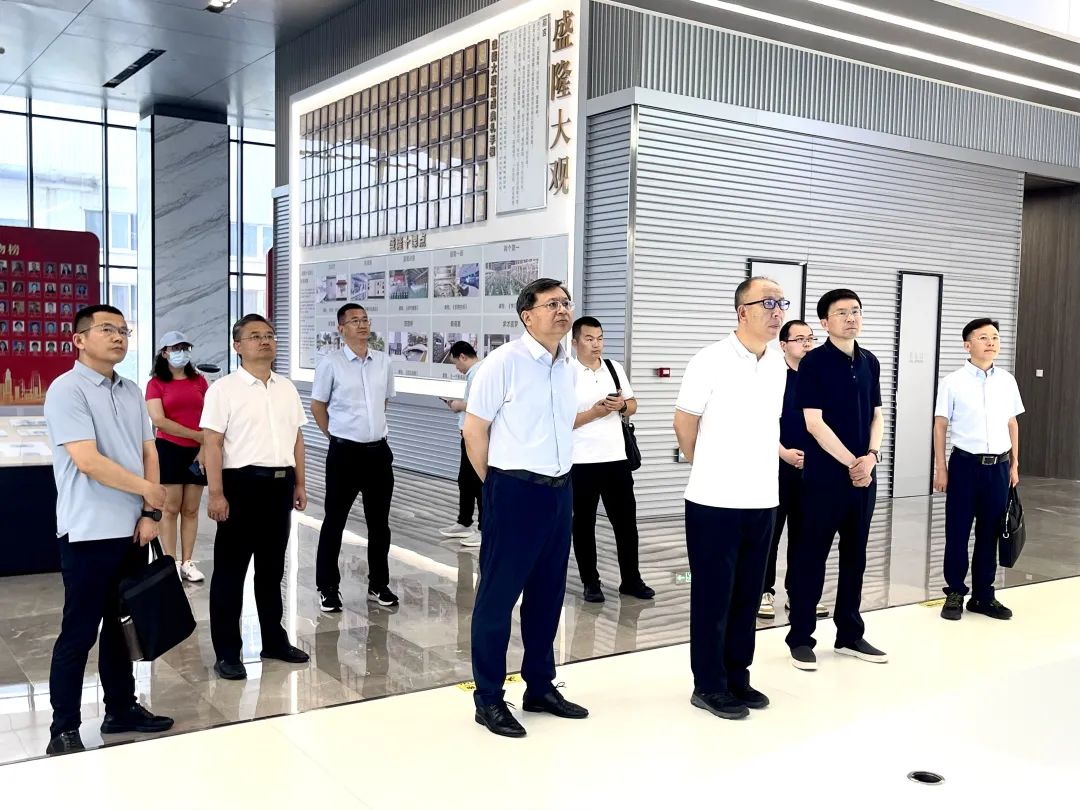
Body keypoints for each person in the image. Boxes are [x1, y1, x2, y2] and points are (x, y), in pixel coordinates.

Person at [43, 304, 173, 756]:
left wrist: (149, 511)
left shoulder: (132, 390)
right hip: (88, 531)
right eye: (107, 329)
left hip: (132, 529)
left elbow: (148, 451)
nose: (119, 337)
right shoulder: (67, 389)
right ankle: (63, 728)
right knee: (79, 631)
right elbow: (87, 460)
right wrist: (148, 490)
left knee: (122, 628)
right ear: (79, 339)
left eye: (123, 330)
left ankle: (121, 709)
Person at [463, 278, 588, 738]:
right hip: (514, 490)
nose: (562, 310)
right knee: (497, 599)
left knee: (547, 595)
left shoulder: (567, 366)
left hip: (559, 490)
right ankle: (488, 699)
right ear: (527, 315)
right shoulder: (503, 363)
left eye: (566, 303)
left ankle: (540, 686)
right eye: (552, 304)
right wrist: (496, 486)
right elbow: (474, 430)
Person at [673, 277, 788, 720]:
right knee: (713, 594)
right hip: (714, 499)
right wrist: (707, 465)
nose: (777, 312)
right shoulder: (710, 360)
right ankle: (708, 684)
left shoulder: (777, 363)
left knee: (748, 594)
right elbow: (684, 422)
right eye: (768, 303)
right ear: (743, 311)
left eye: (781, 303)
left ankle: (737, 674)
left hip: (763, 497)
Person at [201, 314, 310, 680]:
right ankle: (227, 652)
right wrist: (216, 493)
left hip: (280, 485)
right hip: (240, 486)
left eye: (269, 335)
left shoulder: (286, 388)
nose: (264, 340)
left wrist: (299, 483)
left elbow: (297, 438)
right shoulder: (223, 390)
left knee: (271, 570)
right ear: (238, 346)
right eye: (254, 336)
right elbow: (212, 444)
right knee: (230, 573)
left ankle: (274, 641)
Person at [786, 289, 887, 672]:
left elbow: (877, 415)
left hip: (864, 477)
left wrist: (871, 457)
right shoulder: (814, 363)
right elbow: (814, 423)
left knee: (855, 556)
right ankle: (801, 638)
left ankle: (849, 634)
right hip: (825, 478)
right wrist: (851, 463)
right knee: (811, 557)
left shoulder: (870, 361)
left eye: (856, 311)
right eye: (842, 313)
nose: (851, 318)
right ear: (825, 322)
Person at [934, 318, 1024, 621]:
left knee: (990, 533)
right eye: (983, 337)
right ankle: (955, 593)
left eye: (995, 337)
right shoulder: (953, 382)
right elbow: (940, 425)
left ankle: (984, 596)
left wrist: (1015, 463)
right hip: (964, 466)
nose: (991, 342)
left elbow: (1012, 423)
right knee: (957, 531)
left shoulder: (1007, 381)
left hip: (998, 467)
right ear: (967, 344)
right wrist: (941, 468)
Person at [311, 303, 397, 612]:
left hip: (378, 453)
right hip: (344, 454)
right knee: (335, 521)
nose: (362, 325)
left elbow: (383, 401)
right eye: (354, 320)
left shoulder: (383, 361)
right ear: (341, 328)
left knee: (380, 524)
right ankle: (327, 587)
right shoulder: (331, 364)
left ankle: (378, 584)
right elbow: (318, 406)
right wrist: (336, 437)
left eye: (365, 320)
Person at [569, 316, 653, 603]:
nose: (596, 344)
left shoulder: (613, 368)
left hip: (616, 459)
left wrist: (622, 405)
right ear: (575, 342)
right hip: (580, 461)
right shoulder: (566, 373)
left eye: (600, 338)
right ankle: (590, 582)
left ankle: (631, 579)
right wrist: (595, 413)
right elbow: (561, 421)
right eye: (589, 339)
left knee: (626, 523)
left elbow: (633, 405)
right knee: (583, 524)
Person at [758, 320, 828, 620]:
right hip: (776, 464)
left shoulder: (820, 377)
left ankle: (800, 594)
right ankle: (763, 591)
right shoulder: (772, 376)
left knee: (805, 534)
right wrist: (783, 453)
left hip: (813, 466)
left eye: (810, 338)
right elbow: (760, 421)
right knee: (770, 534)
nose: (807, 343)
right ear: (783, 344)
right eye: (799, 339)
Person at [145, 331, 208, 582]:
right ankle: (170, 562)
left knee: (191, 509)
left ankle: (188, 561)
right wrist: (197, 436)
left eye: (185, 347)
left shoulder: (199, 380)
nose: (181, 352)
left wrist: (204, 446)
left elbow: (210, 416)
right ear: (164, 353)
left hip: (198, 452)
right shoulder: (156, 384)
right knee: (170, 509)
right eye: (175, 348)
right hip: (169, 449)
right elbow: (159, 420)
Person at [440, 340, 483, 548]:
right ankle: (464, 522)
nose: (456, 368)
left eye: (455, 362)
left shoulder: (479, 373)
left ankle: (485, 529)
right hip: (469, 436)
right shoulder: (475, 373)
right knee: (465, 481)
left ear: (463, 357)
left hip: (477, 438)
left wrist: (457, 405)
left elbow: (480, 404)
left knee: (479, 484)